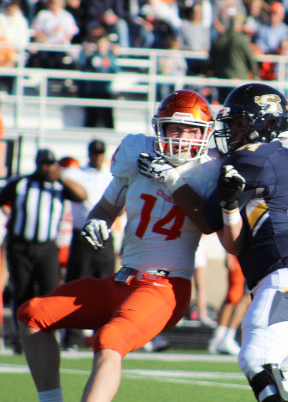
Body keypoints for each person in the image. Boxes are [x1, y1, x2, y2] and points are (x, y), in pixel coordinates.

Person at [16, 90, 216, 401]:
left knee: (109, 339)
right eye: (175, 128)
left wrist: (172, 179)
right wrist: (98, 221)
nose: (183, 138)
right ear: (159, 129)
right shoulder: (138, 157)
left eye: (192, 130)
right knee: (32, 314)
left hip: (164, 287)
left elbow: (208, 224)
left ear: (205, 134)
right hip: (122, 279)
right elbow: (107, 207)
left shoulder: (207, 171)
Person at [145, 83, 288, 402]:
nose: (232, 131)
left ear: (265, 124)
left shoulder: (250, 161)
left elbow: (205, 221)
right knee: (276, 380)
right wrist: (229, 206)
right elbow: (234, 244)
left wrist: (171, 177)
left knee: (256, 361)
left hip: (285, 277)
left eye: (240, 123)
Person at [0, 149, 86, 335]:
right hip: (21, 245)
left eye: (49, 164)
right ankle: (20, 335)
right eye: (43, 164)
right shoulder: (22, 183)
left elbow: (82, 196)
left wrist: (61, 178)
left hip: (47, 246)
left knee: (50, 290)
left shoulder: (59, 186)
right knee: (22, 290)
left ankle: (48, 332)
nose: (46, 168)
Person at [61, 139, 114, 351]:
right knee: (77, 285)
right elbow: (64, 178)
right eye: (95, 153)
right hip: (82, 234)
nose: (98, 157)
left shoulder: (111, 174)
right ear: (89, 153)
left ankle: (102, 337)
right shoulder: (76, 173)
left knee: (107, 287)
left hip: (105, 235)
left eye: (100, 153)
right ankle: (72, 338)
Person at [207, 253, 251, 356]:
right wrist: (229, 253)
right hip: (242, 254)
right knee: (236, 296)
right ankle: (226, 337)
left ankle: (220, 338)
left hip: (248, 256)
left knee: (238, 297)